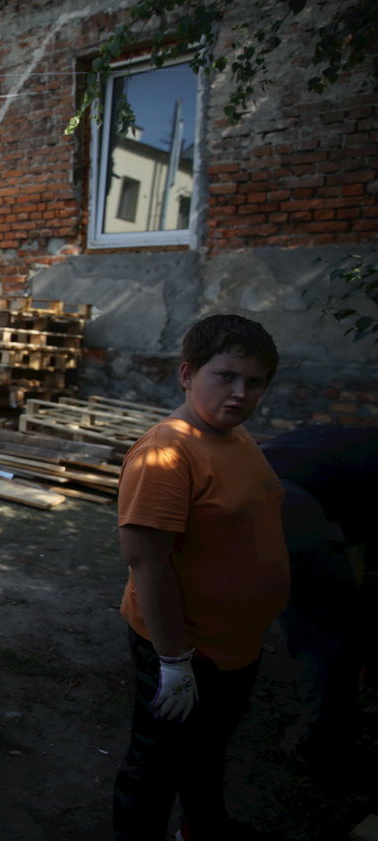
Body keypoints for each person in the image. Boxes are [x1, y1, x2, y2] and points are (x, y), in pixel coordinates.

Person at [112, 314, 287, 841]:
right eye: (226, 376)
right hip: (186, 649)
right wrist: (172, 662)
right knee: (156, 765)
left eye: (254, 383)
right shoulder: (168, 453)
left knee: (208, 749)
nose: (240, 394)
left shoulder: (237, 439)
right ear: (187, 374)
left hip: (234, 645)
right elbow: (147, 563)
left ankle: (204, 828)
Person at [259, 425, 378, 776]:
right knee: (329, 632)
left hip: (231, 483)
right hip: (287, 502)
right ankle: (322, 745)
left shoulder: (342, 436)